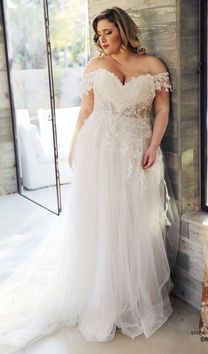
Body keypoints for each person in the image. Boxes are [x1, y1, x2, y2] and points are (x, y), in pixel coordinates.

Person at [0, 6, 179, 353]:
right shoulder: (95, 66)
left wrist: (154, 146)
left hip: (135, 154)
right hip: (98, 149)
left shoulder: (153, 66)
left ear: (123, 30)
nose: (102, 40)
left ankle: (130, 298)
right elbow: (86, 110)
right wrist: (73, 146)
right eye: (98, 35)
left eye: (108, 32)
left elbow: (162, 109)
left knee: (133, 223)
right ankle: (101, 300)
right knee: (99, 222)